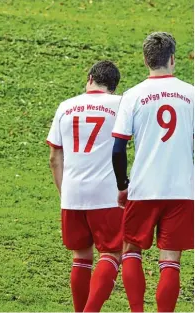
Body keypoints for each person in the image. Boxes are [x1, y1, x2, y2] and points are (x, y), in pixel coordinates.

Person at [112, 32, 194, 312]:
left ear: (146, 60)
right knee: (170, 260)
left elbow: (118, 149)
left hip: (144, 187)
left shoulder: (132, 95)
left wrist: (122, 184)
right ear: (172, 59)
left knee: (130, 250)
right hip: (182, 190)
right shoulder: (191, 94)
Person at [47, 61, 123, 312]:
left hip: (72, 193)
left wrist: (63, 192)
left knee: (81, 256)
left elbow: (54, 158)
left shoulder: (65, 106)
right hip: (106, 192)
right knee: (112, 253)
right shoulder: (120, 104)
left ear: (89, 78)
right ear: (113, 87)